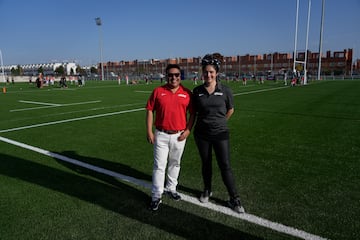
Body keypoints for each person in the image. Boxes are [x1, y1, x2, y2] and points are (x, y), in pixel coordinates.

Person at [192, 53, 245, 213]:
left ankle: (234, 198)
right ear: (202, 73)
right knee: (206, 164)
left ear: (216, 73)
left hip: (221, 134)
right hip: (201, 134)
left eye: (211, 72)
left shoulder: (226, 90)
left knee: (225, 166)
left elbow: (231, 110)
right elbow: (194, 113)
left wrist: (220, 122)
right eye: (206, 72)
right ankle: (207, 190)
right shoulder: (197, 91)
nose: (208, 75)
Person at [145, 64, 194, 211]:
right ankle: (156, 195)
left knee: (175, 163)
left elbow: (193, 113)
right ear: (166, 76)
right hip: (161, 134)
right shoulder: (158, 91)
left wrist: (188, 131)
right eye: (171, 75)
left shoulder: (186, 93)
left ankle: (171, 188)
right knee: (159, 166)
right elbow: (149, 111)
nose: (174, 77)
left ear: (180, 76)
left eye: (176, 75)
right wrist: (149, 131)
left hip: (179, 135)